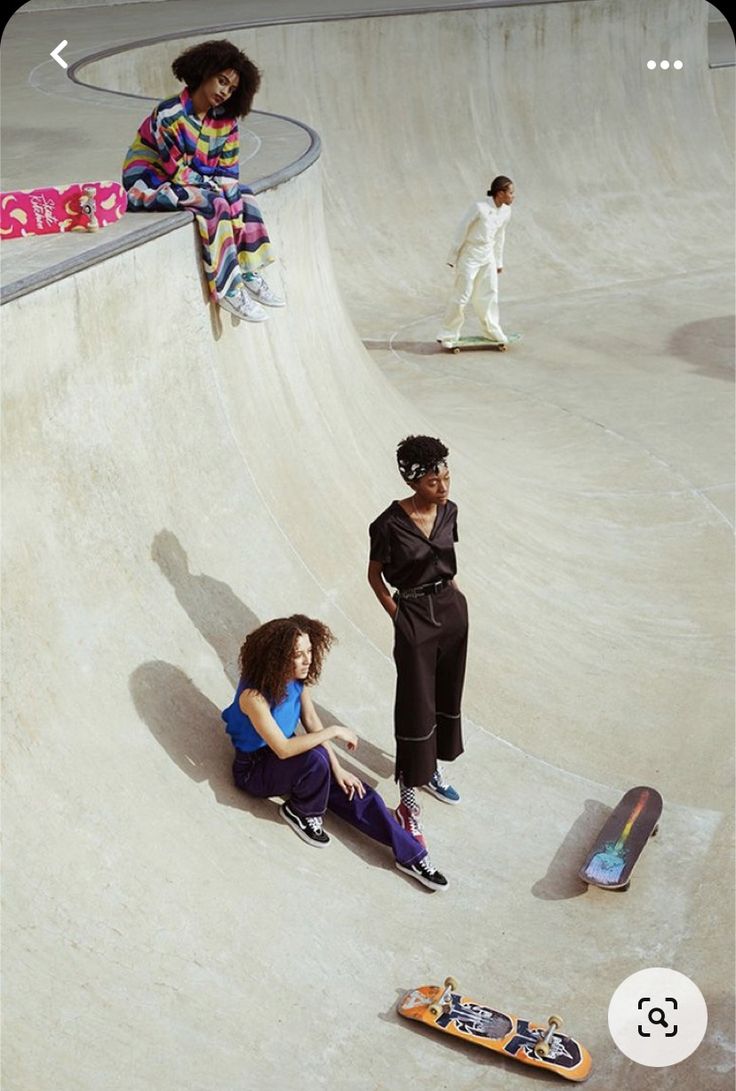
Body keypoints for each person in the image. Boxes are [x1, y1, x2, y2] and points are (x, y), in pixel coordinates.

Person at [222, 614, 449, 890]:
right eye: (298, 655)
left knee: (358, 791)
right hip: (255, 770)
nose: (307, 660)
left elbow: (311, 721)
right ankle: (301, 811)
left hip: (296, 763)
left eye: (309, 651)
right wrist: (334, 732)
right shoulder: (253, 697)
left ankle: (412, 855)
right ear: (278, 658)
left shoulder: (297, 681)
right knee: (316, 760)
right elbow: (282, 749)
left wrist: (338, 769)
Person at [123, 39, 284, 323]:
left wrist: (234, 203)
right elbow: (179, 174)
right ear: (204, 72)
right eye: (221, 81)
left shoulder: (226, 122)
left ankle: (247, 270)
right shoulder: (170, 114)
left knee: (244, 196)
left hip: (193, 183)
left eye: (232, 88)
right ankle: (229, 289)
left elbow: (229, 174)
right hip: (148, 185)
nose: (225, 91)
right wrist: (224, 198)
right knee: (214, 205)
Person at [367, 435, 468, 848]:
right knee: (415, 704)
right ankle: (409, 799)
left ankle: (431, 772)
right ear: (413, 483)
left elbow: (447, 563)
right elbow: (374, 576)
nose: (443, 488)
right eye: (432, 481)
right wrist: (399, 616)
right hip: (413, 617)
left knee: (446, 696)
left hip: (451, 612)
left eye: (446, 476)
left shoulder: (450, 512)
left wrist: (457, 598)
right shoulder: (387, 525)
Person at [436, 175, 514, 347]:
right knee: (462, 295)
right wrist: (453, 256)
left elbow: (500, 237)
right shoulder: (480, 207)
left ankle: (492, 331)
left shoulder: (506, 211)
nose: (513, 196)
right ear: (500, 193)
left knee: (490, 293)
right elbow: (461, 230)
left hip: (488, 256)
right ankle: (448, 334)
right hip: (470, 255)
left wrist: (498, 262)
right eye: (510, 192)